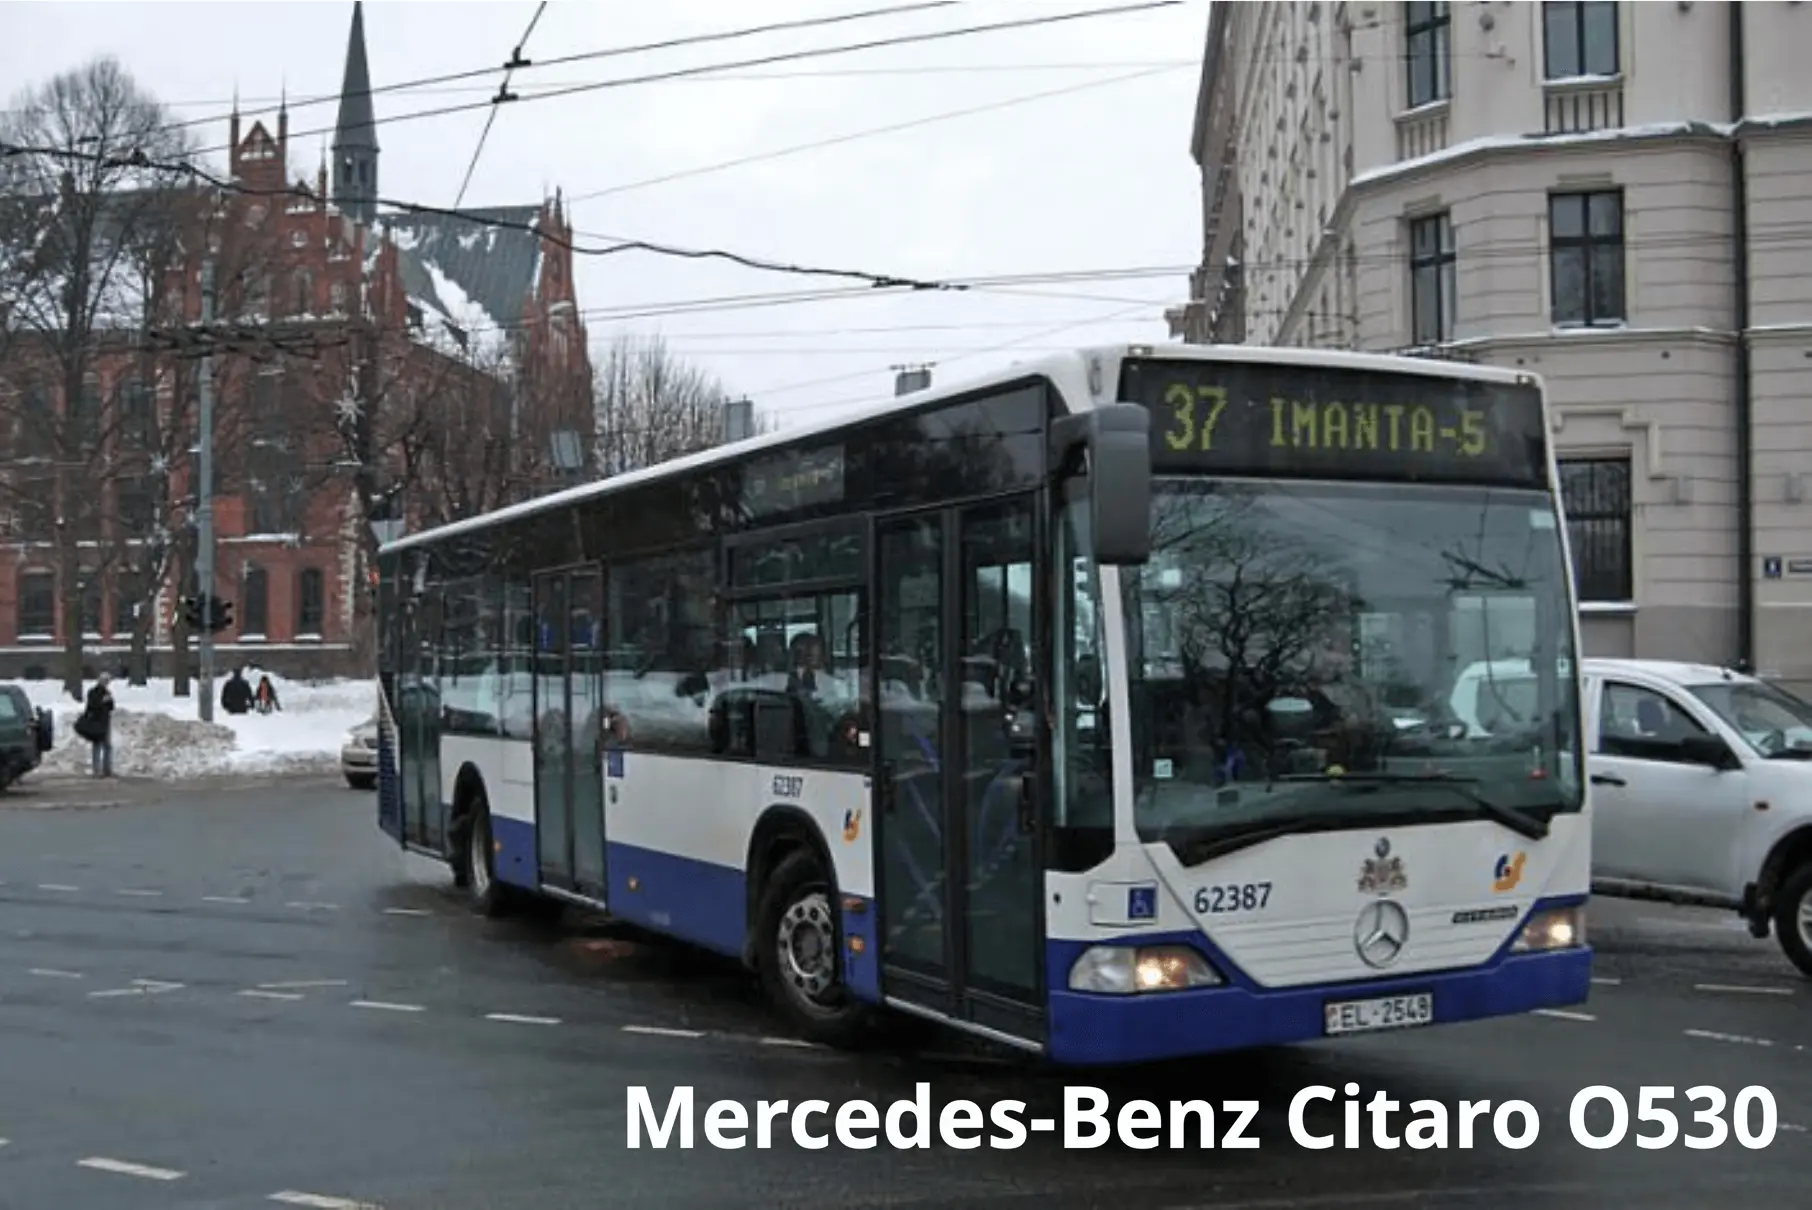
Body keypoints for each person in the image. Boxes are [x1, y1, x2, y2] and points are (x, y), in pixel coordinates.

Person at [80, 673, 115, 778]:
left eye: (107, 681)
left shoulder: (107, 692)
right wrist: (102, 702)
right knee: (97, 746)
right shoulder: (93, 692)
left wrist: (109, 701)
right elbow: (92, 705)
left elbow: (111, 707)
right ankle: (96, 770)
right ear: (99, 680)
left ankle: (107, 769)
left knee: (107, 746)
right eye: (104, 680)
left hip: (105, 722)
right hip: (95, 722)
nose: (106, 683)